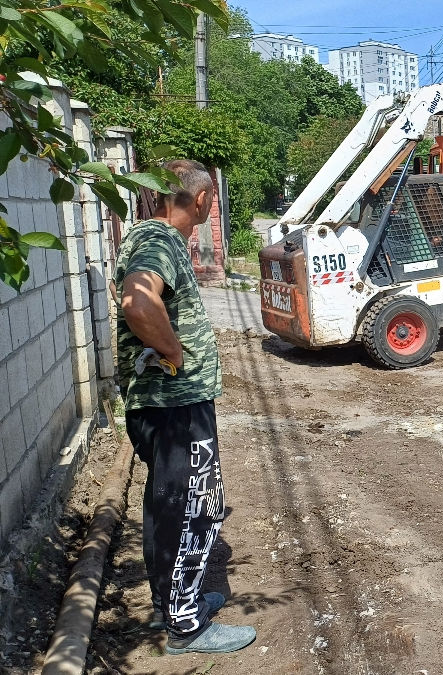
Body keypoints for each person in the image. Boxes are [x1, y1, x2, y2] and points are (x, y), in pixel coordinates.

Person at [115, 159, 257, 654]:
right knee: (191, 508)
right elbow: (137, 302)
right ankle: (186, 627)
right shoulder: (158, 241)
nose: (211, 206)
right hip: (173, 405)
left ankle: (176, 604)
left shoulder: (151, 237)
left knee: (167, 503)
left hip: (166, 405)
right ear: (200, 200)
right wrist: (175, 352)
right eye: (212, 199)